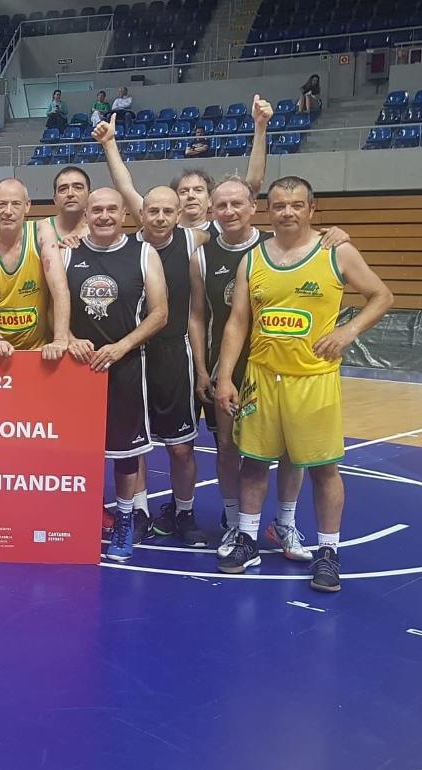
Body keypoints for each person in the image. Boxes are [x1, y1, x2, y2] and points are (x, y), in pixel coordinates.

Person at [215, 176, 393, 591]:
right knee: (254, 462)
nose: (288, 212)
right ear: (268, 211)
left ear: (312, 209)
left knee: (324, 469)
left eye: (297, 204)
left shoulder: (337, 251)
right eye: (279, 205)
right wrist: (225, 376)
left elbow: (381, 296)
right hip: (261, 376)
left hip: (313, 379)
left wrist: (348, 333)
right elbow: (237, 322)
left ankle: (329, 552)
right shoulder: (253, 259)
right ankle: (247, 538)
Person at [190, 176, 308, 560]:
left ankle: (285, 523)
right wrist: (203, 369)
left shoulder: (273, 247)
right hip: (226, 364)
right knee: (227, 446)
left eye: (236, 204)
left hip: (279, 365)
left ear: (253, 206)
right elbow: (197, 316)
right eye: (221, 205)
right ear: (211, 211)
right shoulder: (202, 256)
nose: (229, 212)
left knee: (291, 449)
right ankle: (233, 521)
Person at [64, 188, 168, 562]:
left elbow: (160, 314)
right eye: (97, 210)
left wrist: (122, 346)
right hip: (76, 370)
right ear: (86, 215)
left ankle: (125, 518)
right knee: (76, 453)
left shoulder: (144, 253)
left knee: (125, 453)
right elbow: (51, 310)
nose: (104, 215)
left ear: (125, 213)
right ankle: (78, 518)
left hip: (125, 365)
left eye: (111, 209)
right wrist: (70, 338)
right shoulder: (67, 252)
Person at [127, 186, 204, 546]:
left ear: (179, 215)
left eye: (167, 212)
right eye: (152, 211)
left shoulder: (193, 241)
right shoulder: (125, 247)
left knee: (181, 447)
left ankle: (184, 511)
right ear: (140, 213)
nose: (159, 218)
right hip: (132, 355)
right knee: (135, 445)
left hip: (175, 354)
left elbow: (249, 233)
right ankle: (139, 511)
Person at [94, 95, 271, 233]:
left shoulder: (224, 230)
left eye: (198, 190)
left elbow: (254, 182)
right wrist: (109, 144)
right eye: (184, 191)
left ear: (210, 200)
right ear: (176, 201)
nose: (191, 196)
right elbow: (125, 188)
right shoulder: (159, 225)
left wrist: (260, 127)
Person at [0, 179, 73, 360]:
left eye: (16, 204)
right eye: (2, 204)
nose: (8, 211)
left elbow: (60, 289)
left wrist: (60, 338)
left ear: (27, 206)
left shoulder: (41, 232)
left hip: (37, 352)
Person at [41, 166, 91, 242]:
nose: (70, 194)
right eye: (63, 189)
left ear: (89, 195)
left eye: (78, 187)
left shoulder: (98, 231)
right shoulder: (39, 230)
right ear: (55, 199)